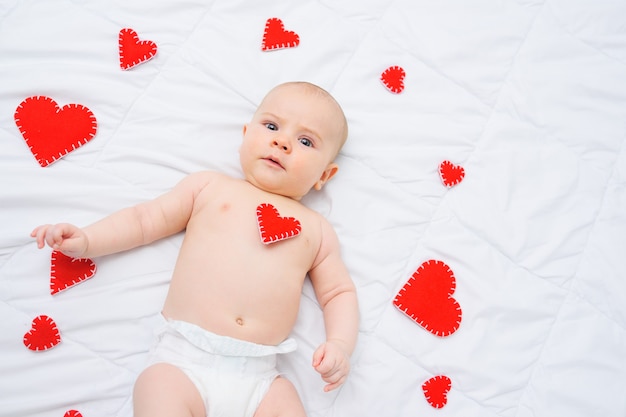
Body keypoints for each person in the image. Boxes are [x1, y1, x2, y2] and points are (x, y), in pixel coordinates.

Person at [31, 81, 359, 417]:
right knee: (157, 390)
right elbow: (144, 220)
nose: (282, 142)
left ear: (325, 175)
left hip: (260, 378)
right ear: (246, 134)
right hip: (182, 360)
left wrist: (340, 345)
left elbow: (338, 293)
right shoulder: (209, 188)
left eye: (306, 141)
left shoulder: (316, 230)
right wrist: (88, 240)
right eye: (272, 126)